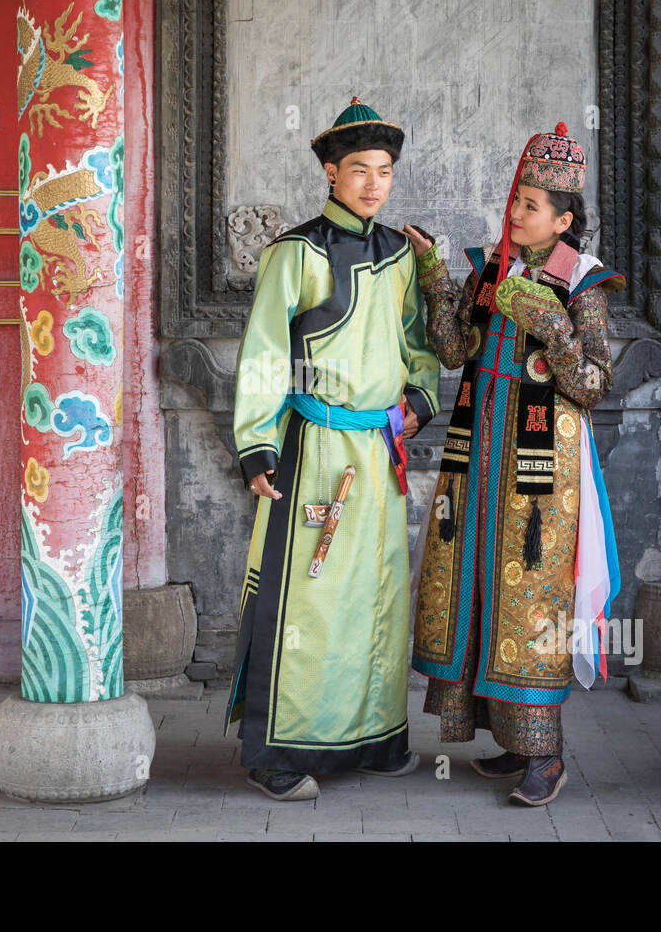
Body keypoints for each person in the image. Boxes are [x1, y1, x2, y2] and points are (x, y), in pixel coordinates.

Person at [226, 97, 441, 801]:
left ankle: (375, 738)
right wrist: (258, 445)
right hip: (314, 444)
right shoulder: (296, 253)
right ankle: (275, 751)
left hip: (378, 453)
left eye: (383, 171)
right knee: (307, 601)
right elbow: (262, 351)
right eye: (359, 170)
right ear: (330, 172)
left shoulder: (402, 254)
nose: (374, 184)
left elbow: (417, 343)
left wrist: (417, 399)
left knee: (377, 596)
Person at [402, 122, 623, 806]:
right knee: (474, 584)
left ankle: (545, 756)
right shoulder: (491, 268)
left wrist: (553, 327)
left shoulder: (581, 285)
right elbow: (451, 349)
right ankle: (507, 740)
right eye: (517, 200)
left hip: (540, 473)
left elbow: (593, 384)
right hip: (476, 456)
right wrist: (438, 274)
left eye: (533, 206)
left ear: (563, 220)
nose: (517, 213)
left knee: (529, 595)